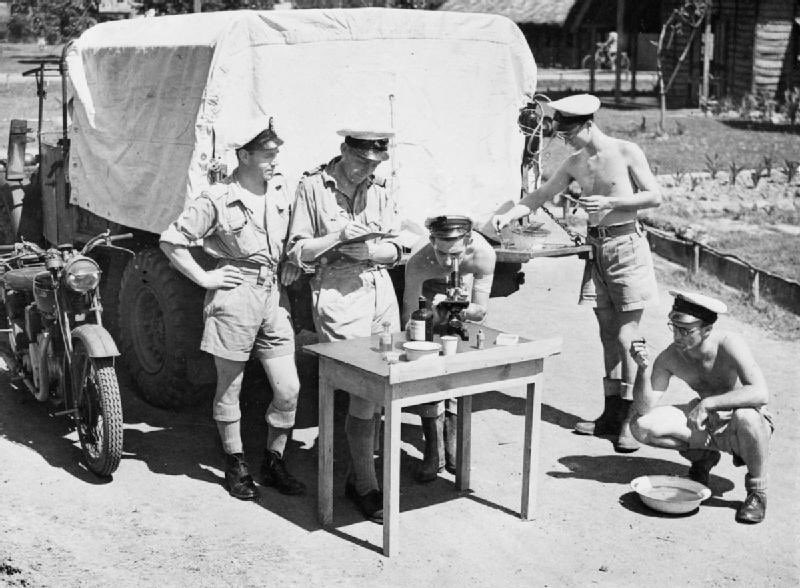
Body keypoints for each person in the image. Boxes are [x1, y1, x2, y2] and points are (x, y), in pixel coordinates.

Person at [493, 93, 662, 453]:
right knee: (606, 333)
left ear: (588, 124)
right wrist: (507, 216)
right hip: (595, 249)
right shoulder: (574, 162)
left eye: (569, 134)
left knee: (627, 332)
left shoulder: (625, 151)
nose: (565, 140)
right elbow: (540, 194)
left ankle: (633, 418)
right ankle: (612, 414)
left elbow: (654, 197)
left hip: (627, 247)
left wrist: (611, 203)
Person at [160, 118, 305, 501]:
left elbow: (294, 237)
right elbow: (172, 241)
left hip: (274, 294)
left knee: (288, 388)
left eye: (277, 152)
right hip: (235, 295)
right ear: (243, 155)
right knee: (230, 386)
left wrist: (292, 260)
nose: (275, 160)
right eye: (267, 153)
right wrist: (204, 279)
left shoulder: (280, 191)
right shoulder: (216, 198)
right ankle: (236, 462)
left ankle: (274, 460)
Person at [285, 127, 403, 523]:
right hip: (338, 291)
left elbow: (397, 248)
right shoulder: (314, 187)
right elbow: (298, 250)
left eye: (374, 163)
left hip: (379, 288)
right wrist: (338, 237)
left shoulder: (380, 187)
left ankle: (362, 473)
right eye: (360, 161)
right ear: (343, 150)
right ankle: (364, 484)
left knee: (386, 379)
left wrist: (373, 249)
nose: (365, 170)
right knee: (361, 387)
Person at [629, 291, 772, 524]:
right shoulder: (669, 357)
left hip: (739, 421)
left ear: (707, 329)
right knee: (640, 426)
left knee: (748, 417)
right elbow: (644, 408)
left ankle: (757, 492)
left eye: (685, 330)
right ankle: (703, 458)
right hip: (705, 421)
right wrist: (642, 370)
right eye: (674, 327)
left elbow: (760, 393)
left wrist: (708, 403)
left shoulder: (729, 343)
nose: (677, 336)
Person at [402, 214, 495, 482]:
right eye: (441, 253)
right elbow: (408, 320)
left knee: (459, 369)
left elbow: (481, 313)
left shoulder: (484, 254)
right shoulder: (419, 260)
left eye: (455, 254)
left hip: (461, 303)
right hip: (428, 306)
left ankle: (453, 446)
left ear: (468, 241)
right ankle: (434, 451)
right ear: (431, 240)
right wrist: (434, 313)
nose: (448, 262)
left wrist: (462, 308)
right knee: (428, 372)